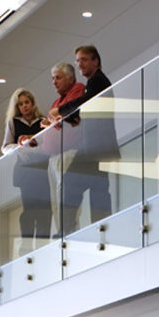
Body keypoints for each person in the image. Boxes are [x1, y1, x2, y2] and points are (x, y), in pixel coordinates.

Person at [53, 45, 117, 235]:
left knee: (72, 183)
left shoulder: (97, 80)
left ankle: (68, 229)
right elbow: (88, 109)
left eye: (83, 59)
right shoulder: (95, 81)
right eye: (77, 60)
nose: (79, 63)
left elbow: (85, 102)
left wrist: (61, 111)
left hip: (96, 145)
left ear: (95, 61)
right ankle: (101, 228)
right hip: (97, 145)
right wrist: (69, 118)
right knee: (97, 188)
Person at [1, 88, 52, 246]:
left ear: (32, 103)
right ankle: (27, 244)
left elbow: (49, 142)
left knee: (45, 209)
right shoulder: (13, 123)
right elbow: (5, 148)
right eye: (21, 104)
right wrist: (18, 148)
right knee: (30, 208)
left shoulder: (43, 121)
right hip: (26, 171)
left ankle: (43, 243)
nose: (24, 106)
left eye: (27, 102)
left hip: (42, 169)